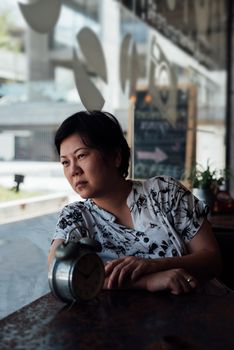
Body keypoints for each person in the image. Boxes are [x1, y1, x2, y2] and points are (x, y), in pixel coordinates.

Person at [48, 110, 222, 295]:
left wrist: (153, 265)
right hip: (110, 321)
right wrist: (147, 281)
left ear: (115, 156)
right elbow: (57, 271)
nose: (74, 170)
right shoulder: (75, 216)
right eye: (65, 163)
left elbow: (213, 260)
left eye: (82, 156)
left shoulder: (164, 192)